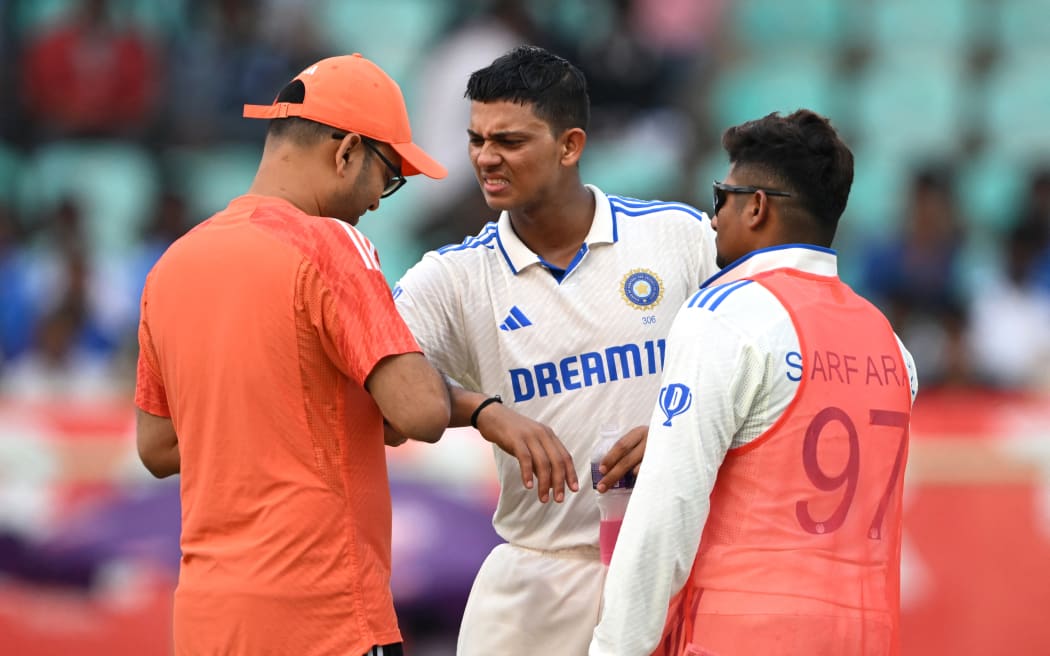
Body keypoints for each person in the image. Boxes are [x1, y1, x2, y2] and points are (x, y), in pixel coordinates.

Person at [392, 45, 718, 655]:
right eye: (476, 139)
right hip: (540, 574)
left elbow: (770, 355)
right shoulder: (452, 279)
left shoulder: (679, 238)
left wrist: (685, 426)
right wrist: (485, 412)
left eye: (510, 141)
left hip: (677, 565)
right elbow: (380, 390)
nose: (486, 158)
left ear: (570, 146)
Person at [133, 54, 452, 656]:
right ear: (347, 151)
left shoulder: (171, 265)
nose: (381, 202)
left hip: (207, 622)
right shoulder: (332, 242)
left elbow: (156, 447)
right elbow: (420, 413)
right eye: (388, 177)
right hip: (324, 620)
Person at [590, 109, 919, 656]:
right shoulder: (889, 341)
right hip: (866, 633)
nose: (712, 217)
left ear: (757, 205)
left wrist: (614, 648)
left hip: (742, 633)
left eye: (720, 196)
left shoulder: (727, 313)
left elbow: (666, 510)